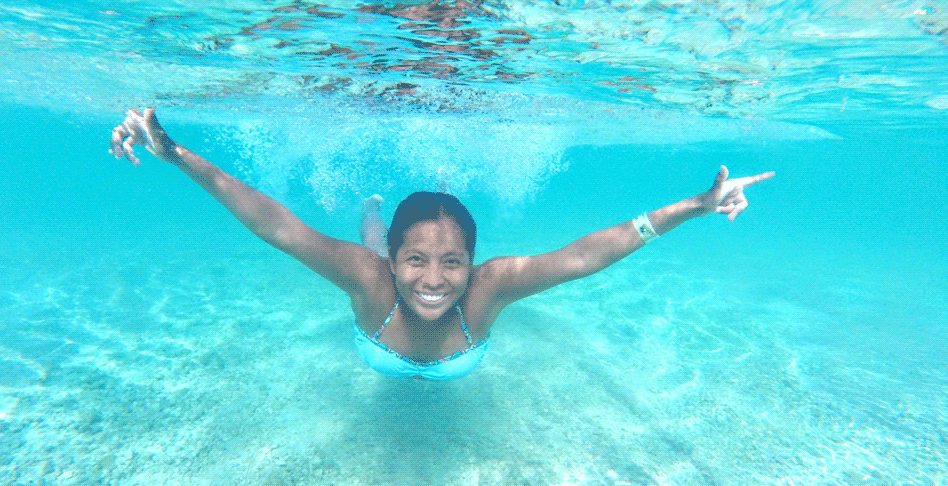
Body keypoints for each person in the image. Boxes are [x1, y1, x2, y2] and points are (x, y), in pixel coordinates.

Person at [111, 108, 774, 381]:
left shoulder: (487, 289)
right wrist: (173, 153)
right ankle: (382, 212)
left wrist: (695, 205)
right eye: (418, 260)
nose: (434, 280)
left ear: (474, 262)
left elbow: (585, 254)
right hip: (376, 256)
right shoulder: (373, 280)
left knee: (395, 240)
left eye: (453, 261)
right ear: (400, 263)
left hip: (399, 265)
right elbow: (272, 222)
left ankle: (430, 195)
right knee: (369, 240)